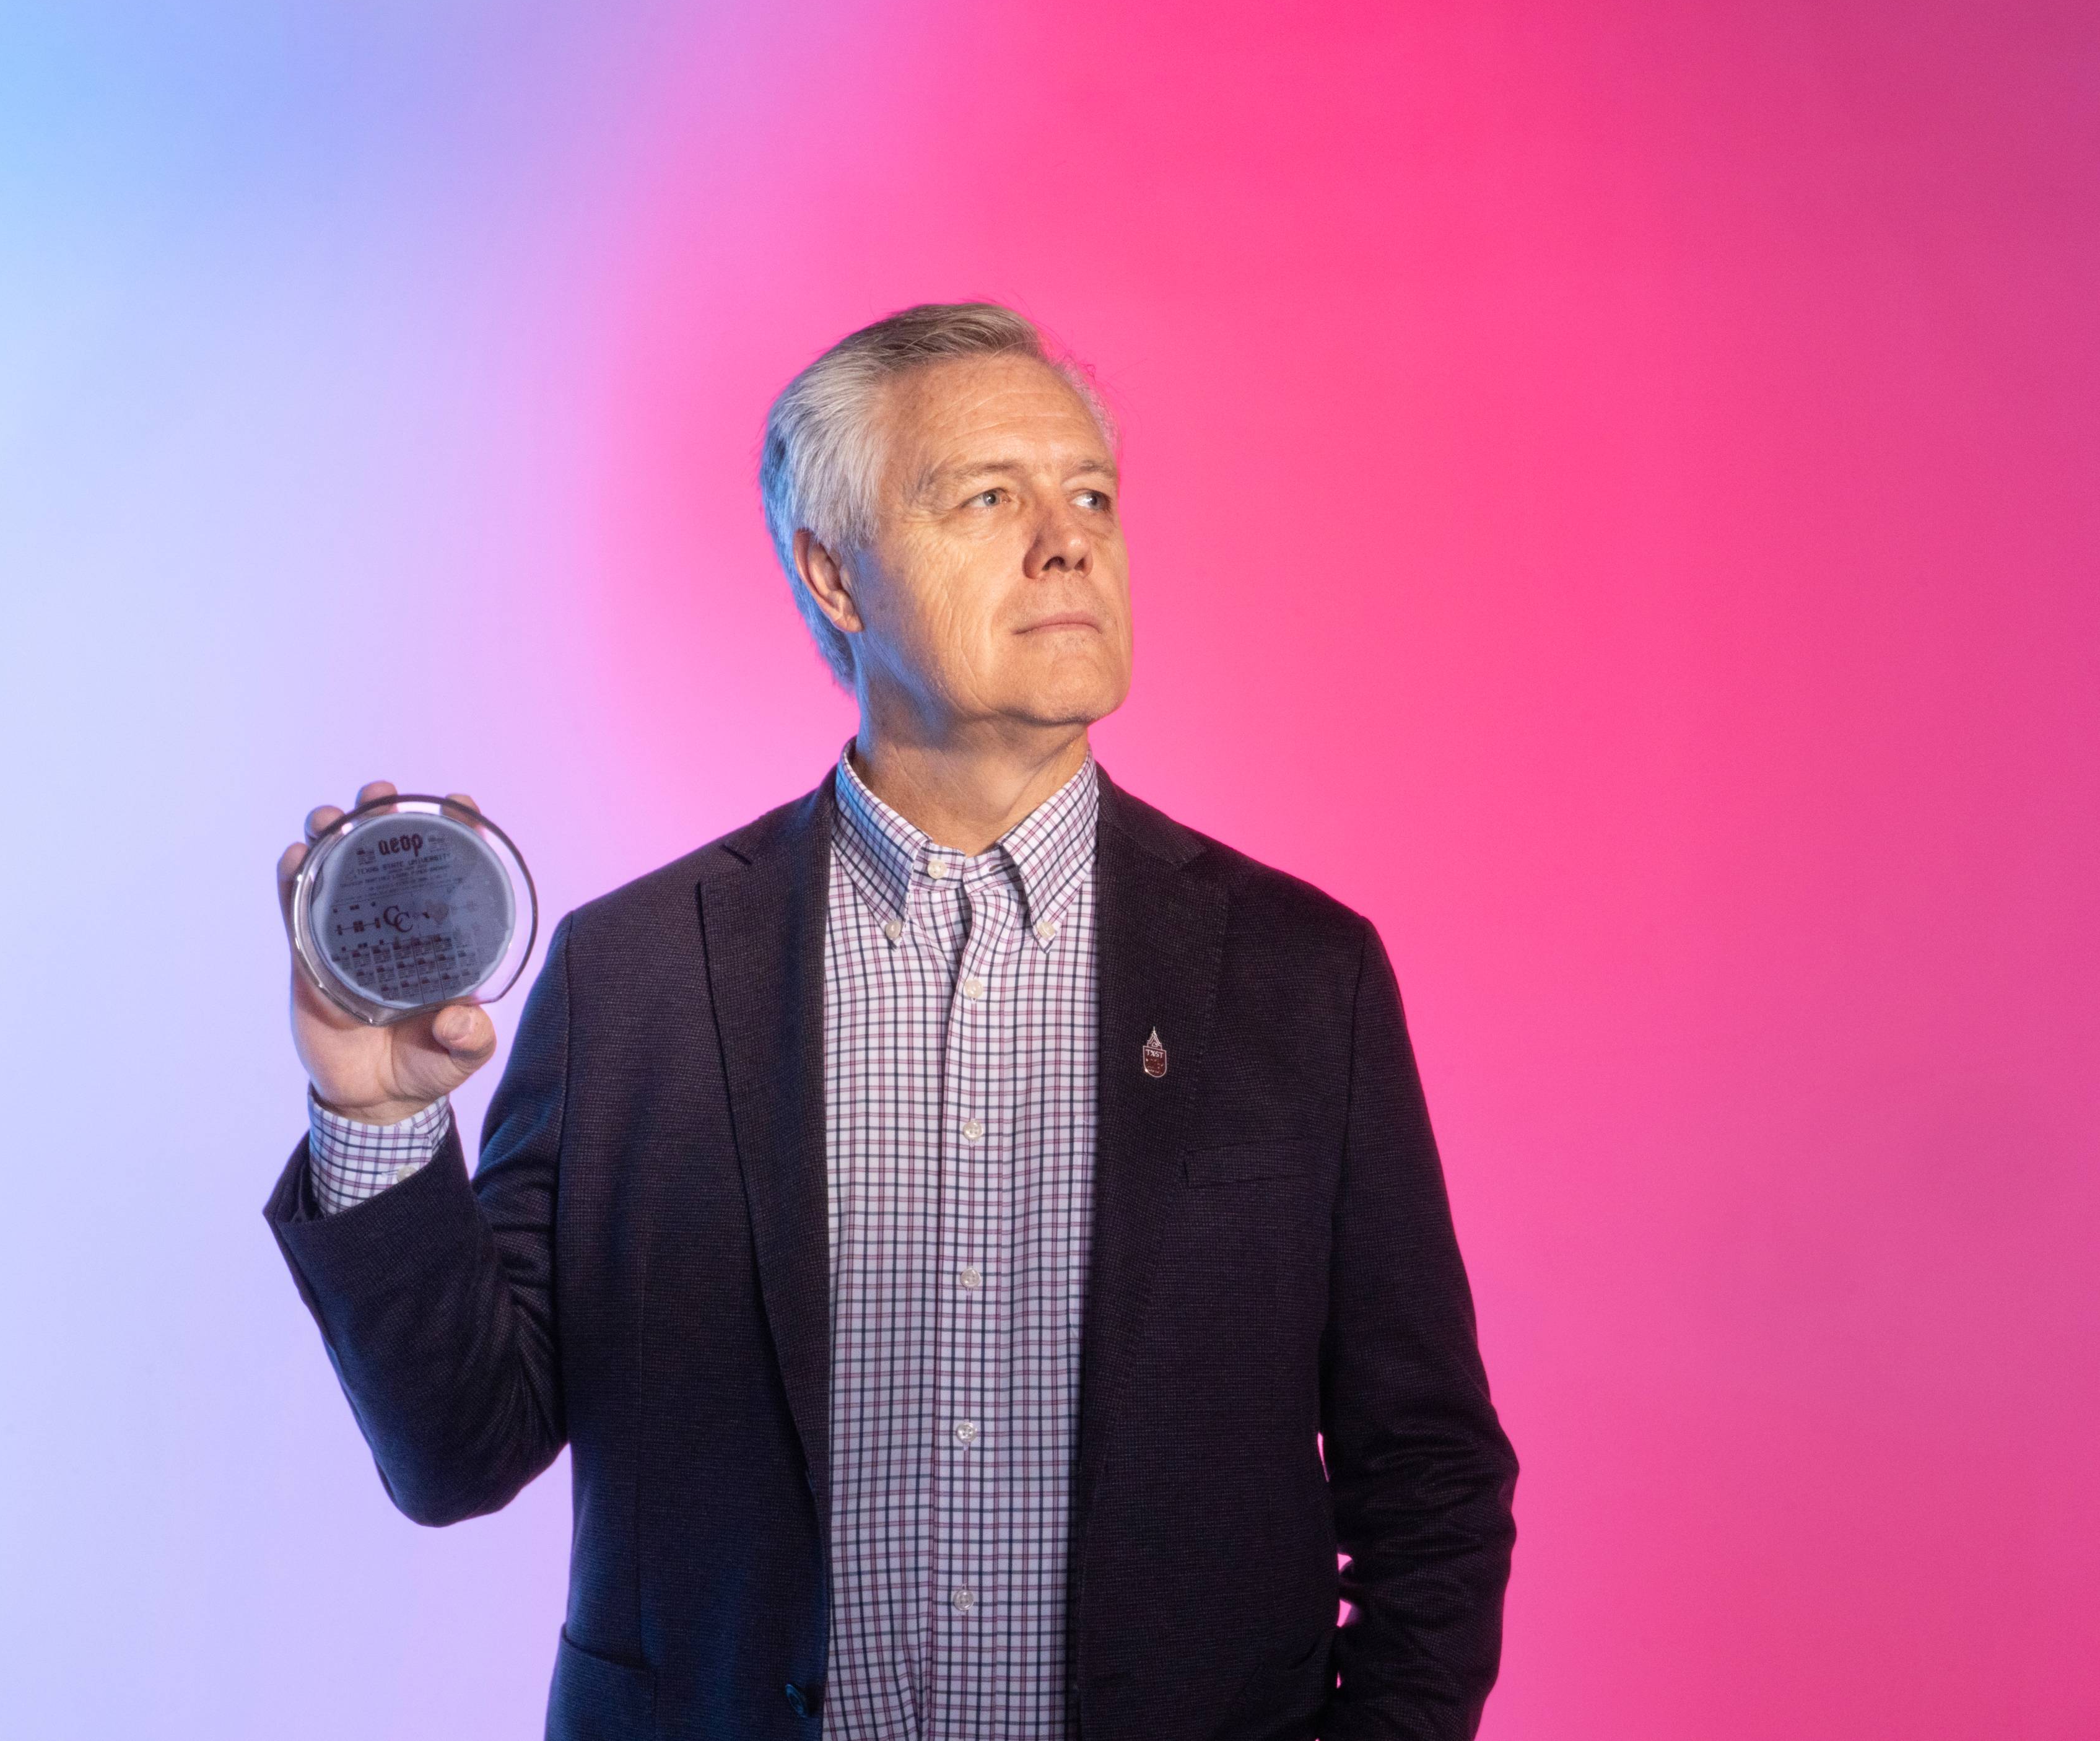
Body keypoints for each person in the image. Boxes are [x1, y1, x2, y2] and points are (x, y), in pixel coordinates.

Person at [266, 303, 1517, 1741]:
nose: (1068, 540)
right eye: (990, 496)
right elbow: (456, 1449)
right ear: (834, 575)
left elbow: (1428, 1485)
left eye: (1091, 495)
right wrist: (375, 1113)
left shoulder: (1305, 976)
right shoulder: (639, 977)